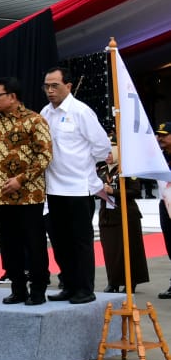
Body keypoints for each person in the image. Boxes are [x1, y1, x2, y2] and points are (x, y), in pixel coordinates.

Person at [40, 66, 112, 304]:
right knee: (60, 242)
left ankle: (85, 288)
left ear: (68, 86)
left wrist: (83, 163)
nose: (50, 91)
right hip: (53, 188)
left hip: (79, 187)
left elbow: (102, 146)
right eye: (47, 86)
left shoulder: (81, 112)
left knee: (80, 241)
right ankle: (69, 285)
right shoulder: (45, 113)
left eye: (55, 86)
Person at [0, 77, 53, 305]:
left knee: (34, 244)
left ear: (12, 97)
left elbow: (45, 156)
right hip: (3, 197)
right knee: (9, 245)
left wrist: (21, 180)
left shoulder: (35, 120)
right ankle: (17, 289)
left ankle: (38, 289)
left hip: (30, 195)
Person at [97, 147, 149, 293]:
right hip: (107, 216)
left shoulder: (126, 170)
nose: (107, 156)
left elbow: (135, 191)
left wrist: (114, 191)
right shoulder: (101, 170)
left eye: (110, 152)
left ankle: (130, 282)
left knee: (129, 249)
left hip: (126, 214)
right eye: (105, 152)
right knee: (110, 250)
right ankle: (113, 282)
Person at [157, 123, 171, 299]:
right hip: (165, 203)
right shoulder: (159, 157)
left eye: (164, 135)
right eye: (158, 135)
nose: (159, 138)